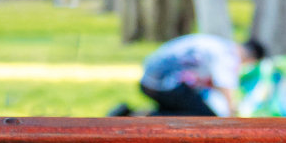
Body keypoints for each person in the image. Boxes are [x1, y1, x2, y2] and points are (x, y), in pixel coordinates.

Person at [110, 34, 267, 117]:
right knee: (205, 117)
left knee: (188, 107)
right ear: (251, 59)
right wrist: (233, 115)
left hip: (151, 80)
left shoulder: (216, 43)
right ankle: (140, 118)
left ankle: (137, 115)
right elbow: (226, 88)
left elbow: (208, 80)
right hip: (162, 83)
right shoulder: (227, 55)